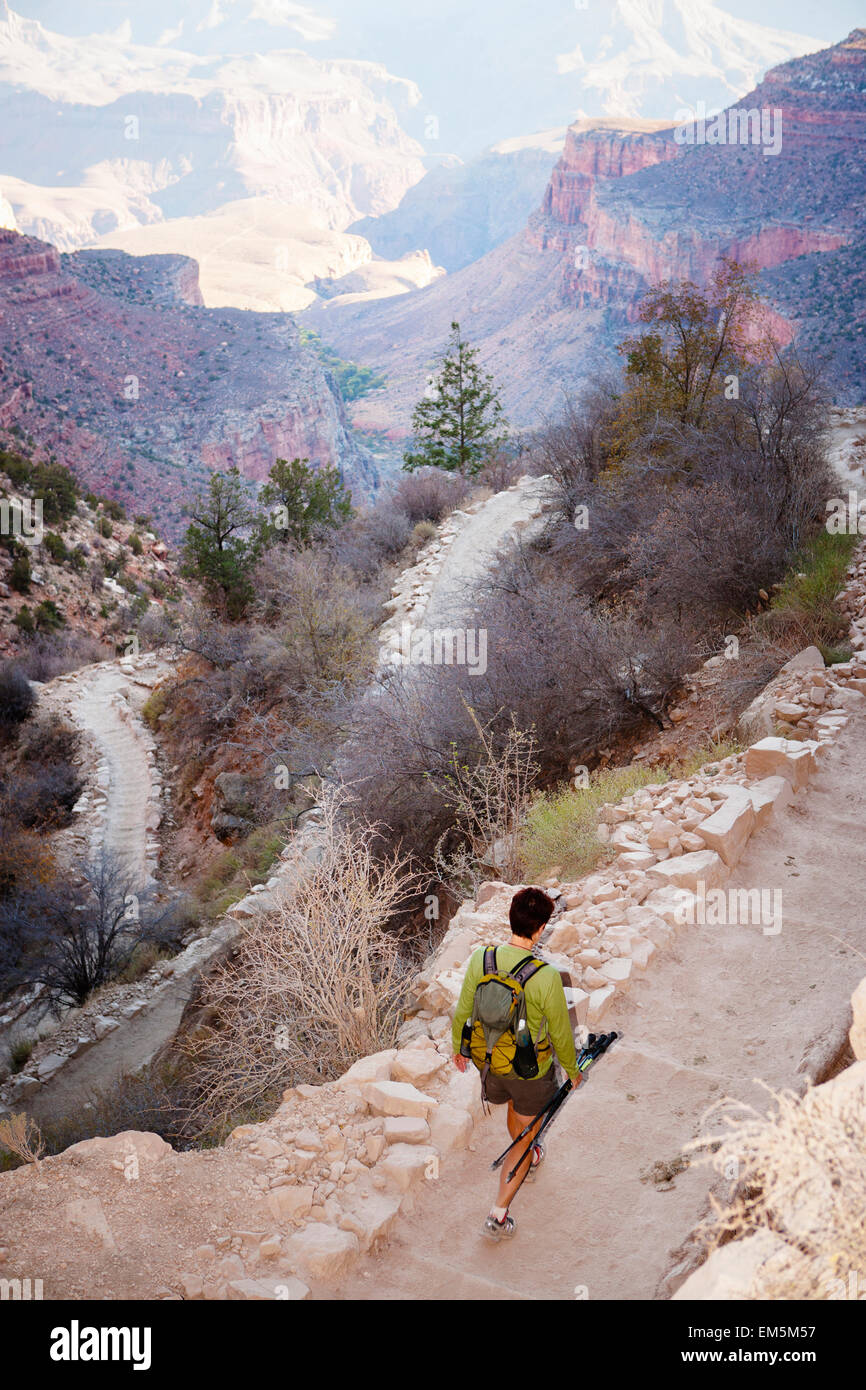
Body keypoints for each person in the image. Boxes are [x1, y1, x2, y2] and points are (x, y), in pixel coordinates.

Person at [451, 885, 581, 1240]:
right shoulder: (546, 976)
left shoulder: (482, 959)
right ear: (540, 929)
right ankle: (498, 1215)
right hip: (528, 1072)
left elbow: (462, 1010)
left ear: (511, 919)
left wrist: (458, 1049)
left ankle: (532, 1152)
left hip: (488, 1062)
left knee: (516, 1112)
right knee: (523, 1134)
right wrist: (572, 1071)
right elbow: (560, 1035)